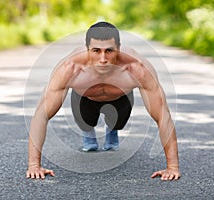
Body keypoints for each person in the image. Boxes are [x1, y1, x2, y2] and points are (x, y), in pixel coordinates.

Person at [26, 21, 181, 181]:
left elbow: (163, 115)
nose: (103, 58)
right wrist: (34, 165)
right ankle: (88, 133)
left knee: (117, 123)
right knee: (86, 121)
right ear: (87, 49)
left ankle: (112, 130)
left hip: (120, 97)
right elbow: (41, 115)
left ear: (118, 48)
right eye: (96, 51)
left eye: (109, 51)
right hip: (85, 97)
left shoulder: (136, 69)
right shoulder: (70, 69)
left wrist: (172, 167)